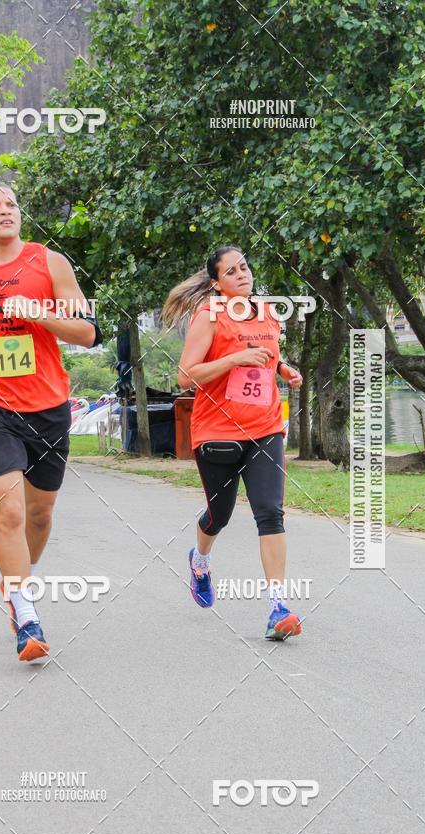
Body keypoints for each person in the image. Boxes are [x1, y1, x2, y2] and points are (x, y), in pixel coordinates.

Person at [0, 181, 102, 662]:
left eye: (12, 204)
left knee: (38, 514)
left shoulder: (49, 262)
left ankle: (19, 582)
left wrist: (40, 313)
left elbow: (87, 331)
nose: (6, 211)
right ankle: (25, 613)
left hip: (48, 405)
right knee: (8, 510)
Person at [163, 246, 304, 641]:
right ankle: (201, 560)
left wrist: (283, 368)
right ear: (216, 283)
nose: (242, 274)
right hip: (218, 433)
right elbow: (187, 376)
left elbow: (268, 357)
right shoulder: (209, 316)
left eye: (244, 267)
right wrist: (235, 360)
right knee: (219, 515)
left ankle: (278, 606)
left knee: (270, 513)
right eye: (231, 271)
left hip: (264, 427)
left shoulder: (267, 313)